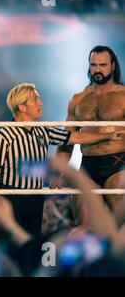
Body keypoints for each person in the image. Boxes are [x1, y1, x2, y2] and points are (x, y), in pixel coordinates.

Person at [0, 83, 122, 235]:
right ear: (22, 107)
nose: (40, 103)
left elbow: (75, 137)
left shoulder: (43, 130)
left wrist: (107, 135)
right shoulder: (5, 135)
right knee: (11, 238)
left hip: (35, 196)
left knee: (32, 239)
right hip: (12, 196)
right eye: (35, 100)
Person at [56, 45, 125, 224]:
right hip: (88, 165)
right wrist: (59, 171)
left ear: (113, 66)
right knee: (83, 223)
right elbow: (67, 138)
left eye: (102, 65)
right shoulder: (78, 100)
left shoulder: (123, 96)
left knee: (121, 223)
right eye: (94, 65)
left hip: (118, 164)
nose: (97, 70)